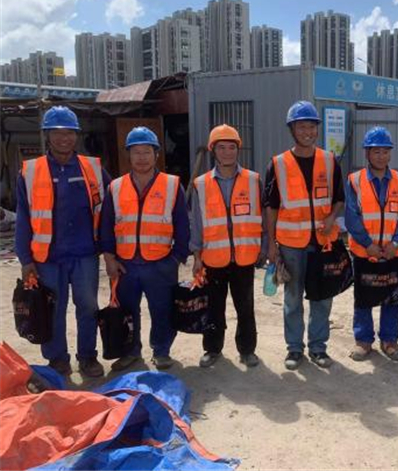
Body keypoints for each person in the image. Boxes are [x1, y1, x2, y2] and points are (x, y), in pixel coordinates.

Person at [15, 106, 110, 377]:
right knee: (52, 309)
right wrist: (25, 259)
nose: (63, 138)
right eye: (57, 133)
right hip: (48, 257)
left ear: (76, 135)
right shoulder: (29, 172)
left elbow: (110, 208)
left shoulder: (93, 169)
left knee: (88, 307)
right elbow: (23, 218)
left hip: (84, 254)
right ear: (47, 135)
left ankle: (87, 357)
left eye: (69, 132)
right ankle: (57, 359)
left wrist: (110, 249)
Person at [99, 126, 189, 371]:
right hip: (125, 264)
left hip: (161, 263)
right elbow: (106, 226)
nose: (141, 157)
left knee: (162, 310)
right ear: (128, 154)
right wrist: (109, 259)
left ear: (156, 154)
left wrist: (176, 258)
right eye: (136, 152)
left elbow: (183, 225)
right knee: (128, 312)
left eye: (147, 152)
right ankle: (131, 352)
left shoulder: (172, 185)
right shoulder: (115, 187)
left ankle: (161, 351)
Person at [264, 101, 344, 370]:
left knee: (322, 297)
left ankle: (318, 348)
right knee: (293, 298)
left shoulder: (330, 161)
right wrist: (271, 244)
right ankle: (295, 348)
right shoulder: (278, 164)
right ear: (292, 130)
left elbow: (339, 198)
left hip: (323, 242)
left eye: (312, 126)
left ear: (317, 129)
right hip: (291, 244)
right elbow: (271, 207)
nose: (307, 132)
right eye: (301, 127)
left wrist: (331, 218)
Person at [190, 124, 265, 369]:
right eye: (221, 147)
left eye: (231, 147)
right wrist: (197, 255)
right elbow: (197, 223)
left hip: (244, 257)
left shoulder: (253, 180)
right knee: (214, 307)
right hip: (213, 258)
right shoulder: (201, 184)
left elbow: (263, 217)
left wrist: (264, 248)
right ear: (213, 151)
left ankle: (247, 350)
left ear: (238, 149)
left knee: (245, 307)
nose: (227, 152)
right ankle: (212, 349)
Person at [345, 126, 398, 362]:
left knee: (393, 297)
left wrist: (395, 242)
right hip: (366, 253)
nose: (381, 156)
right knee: (364, 298)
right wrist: (367, 244)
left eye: (385, 151)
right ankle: (363, 341)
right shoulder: (355, 181)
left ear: (390, 153)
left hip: (394, 253)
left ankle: (390, 340)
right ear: (367, 153)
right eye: (376, 151)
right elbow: (352, 217)